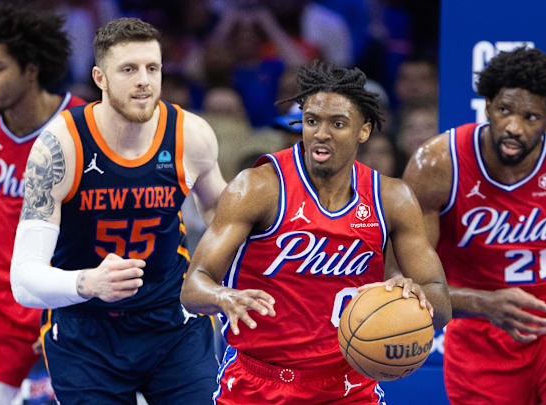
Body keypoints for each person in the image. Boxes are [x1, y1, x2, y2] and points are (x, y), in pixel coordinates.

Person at [180, 60, 451, 404]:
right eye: (311, 121)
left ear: (363, 131)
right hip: (259, 383)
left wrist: (415, 297)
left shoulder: (392, 198)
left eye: (337, 123)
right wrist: (223, 297)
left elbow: (440, 306)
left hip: (349, 386)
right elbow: (193, 286)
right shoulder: (259, 187)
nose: (321, 133)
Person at [9, 17, 227, 403]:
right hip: (85, 329)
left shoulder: (191, 134)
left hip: (172, 322)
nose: (144, 80)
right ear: (100, 77)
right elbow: (23, 280)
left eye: (152, 68)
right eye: (128, 69)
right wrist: (88, 283)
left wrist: (229, 277)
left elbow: (222, 216)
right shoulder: (60, 146)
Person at [403, 47, 546, 404]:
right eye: (504, 111)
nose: (513, 126)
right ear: (487, 106)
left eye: (530, 117)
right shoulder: (436, 165)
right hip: (480, 331)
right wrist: (483, 303)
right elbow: (410, 280)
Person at [0, 4, 85, 404]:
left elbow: (102, 221)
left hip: (68, 301)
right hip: (1, 303)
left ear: (31, 69)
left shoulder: (82, 124)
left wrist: (70, 308)